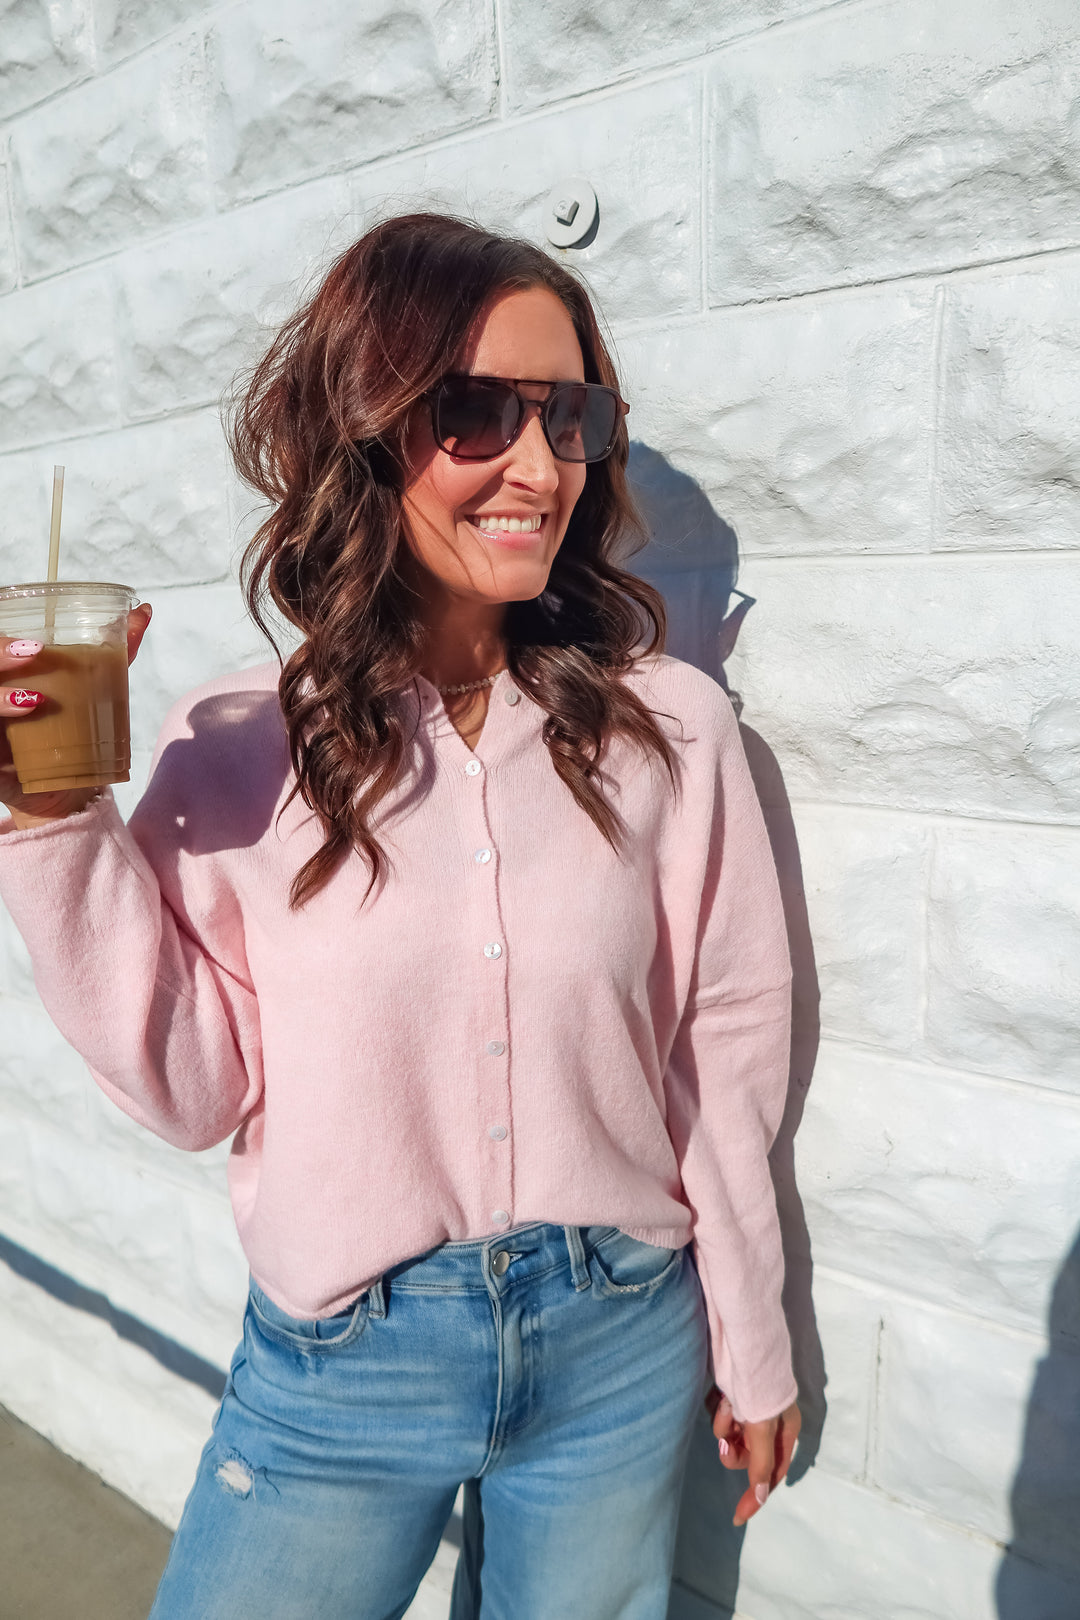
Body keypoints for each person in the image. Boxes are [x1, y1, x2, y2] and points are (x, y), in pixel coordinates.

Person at [0, 213, 800, 1619]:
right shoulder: (239, 749)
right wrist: (50, 826)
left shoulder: (669, 728)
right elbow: (195, 1091)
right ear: (365, 428)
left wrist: (754, 1334)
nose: (541, 468)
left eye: (572, 417)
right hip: (344, 1366)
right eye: (479, 412)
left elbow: (723, 1045)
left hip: (620, 1337)